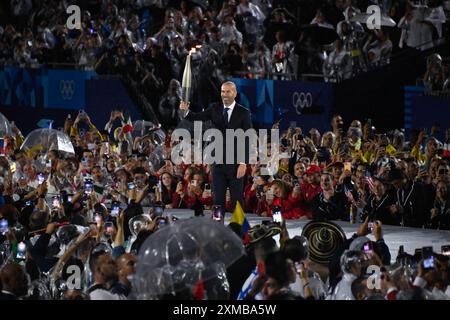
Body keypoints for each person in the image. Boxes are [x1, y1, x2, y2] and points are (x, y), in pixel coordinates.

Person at [179, 81, 252, 212]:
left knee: (237, 199)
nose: (225, 94)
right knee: (218, 200)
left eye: (228, 91)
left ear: (234, 93)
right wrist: (186, 111)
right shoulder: (214, 109)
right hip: (217, 163)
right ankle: (218, 227)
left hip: (235, 164)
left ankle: (239, 229)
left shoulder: (243, 113)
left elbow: (248, 138)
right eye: (223, 91)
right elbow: (196, 117)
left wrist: (243, 162)